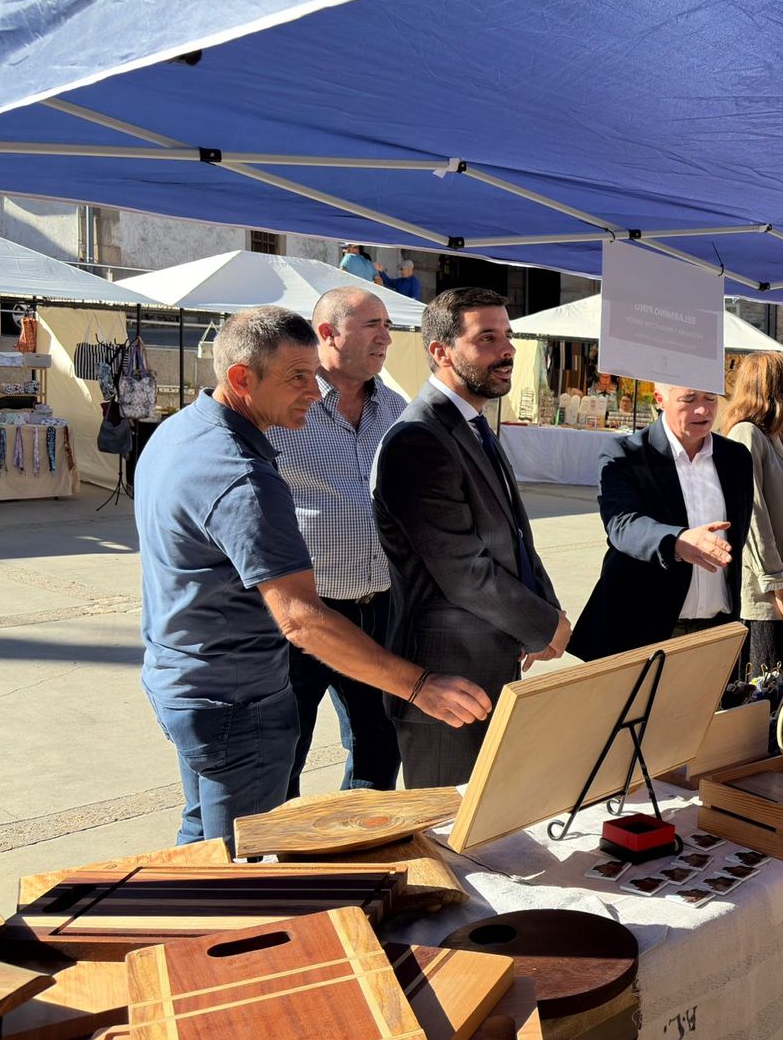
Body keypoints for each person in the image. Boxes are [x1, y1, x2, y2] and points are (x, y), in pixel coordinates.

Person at [134, 306, 490, 851]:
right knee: (242, 860)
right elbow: (300, 619)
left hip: (184, 681)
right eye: (296, 377)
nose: (312, 390)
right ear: (239, 378)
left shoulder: (179, 431)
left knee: (205, 840)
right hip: (235, 699)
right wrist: (420, 686)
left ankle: (182, 913)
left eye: (313, 374)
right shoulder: (242, 477)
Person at [372, 287, 571, 786]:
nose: (506, 350)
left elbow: (515, 539)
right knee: (450, 839)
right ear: (440, 352)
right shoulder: (418, 438)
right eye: (486, 338)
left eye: (507, 336)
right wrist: (542, 623)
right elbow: (463, 570)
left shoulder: (472, 425)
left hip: (487, 665)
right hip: (445, 678)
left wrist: (546, 611)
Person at [264, 288, 405, 797]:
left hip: (379, 608)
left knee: (379, 744)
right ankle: (284, 867)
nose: (385, 337)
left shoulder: (396, 410)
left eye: (387, 324)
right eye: (372, 325)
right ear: (327, 333)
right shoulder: (282, 410)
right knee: (284, 749)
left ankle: (358, 851)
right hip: (303, 612)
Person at [569, 384, 753, 661]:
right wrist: (677, 542)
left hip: (715, 631)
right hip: (644, 631)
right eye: (688, 399)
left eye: (710, 398)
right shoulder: (626, 453)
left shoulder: (736, 457)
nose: (702, 409)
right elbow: (622, 524)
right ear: (660, 399)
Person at [720, 351, 783, 677]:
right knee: (768, 696)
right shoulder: (746, 435)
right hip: (768, 598)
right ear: (776, 388)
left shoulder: (774, 436)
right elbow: (751, 518)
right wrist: (778, 584)